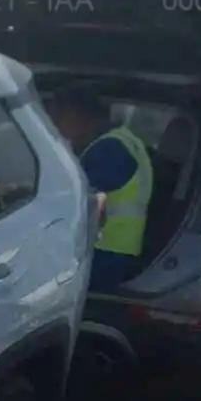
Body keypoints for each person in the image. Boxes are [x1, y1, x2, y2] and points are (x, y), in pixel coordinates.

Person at [44, 85, 154, 291]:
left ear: (78, 115)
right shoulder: (123, 140)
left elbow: (69, 200)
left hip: (105, 252)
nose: (56, 126)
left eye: (59, 117)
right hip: (116, 249)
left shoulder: (109, 151)